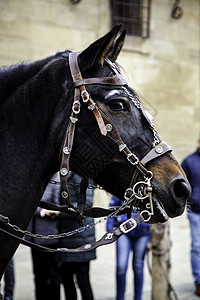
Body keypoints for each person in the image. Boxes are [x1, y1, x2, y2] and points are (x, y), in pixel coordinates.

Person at [59, 172, 96, 300]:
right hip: (65, 237)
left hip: (81, 235)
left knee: (82, 279)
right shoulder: (63, 174)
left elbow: (86, 203)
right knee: (66, 279)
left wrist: (59, 211)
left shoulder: (82, 175)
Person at [106, 196, 151, 300]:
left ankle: (138, 298)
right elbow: (112, 207)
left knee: (138, 266)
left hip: (143, 232)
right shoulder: (123, 184)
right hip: (123, 231)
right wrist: (109, 229)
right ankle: (120, 298)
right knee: (121, 267)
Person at [26, 172, 61, 300]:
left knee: (53, 277)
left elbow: (58, 208)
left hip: (49, 236)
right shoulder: (34, 178)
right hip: (33, 237)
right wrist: (41, 211)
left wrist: (49, 212)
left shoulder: (56, 180)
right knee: (38, 276)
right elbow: (27, 203)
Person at [181, 137, 200, 296]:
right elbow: (181, 186)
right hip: (195, 212)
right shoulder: (189, 161)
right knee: (197, 246)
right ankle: (199, 281)